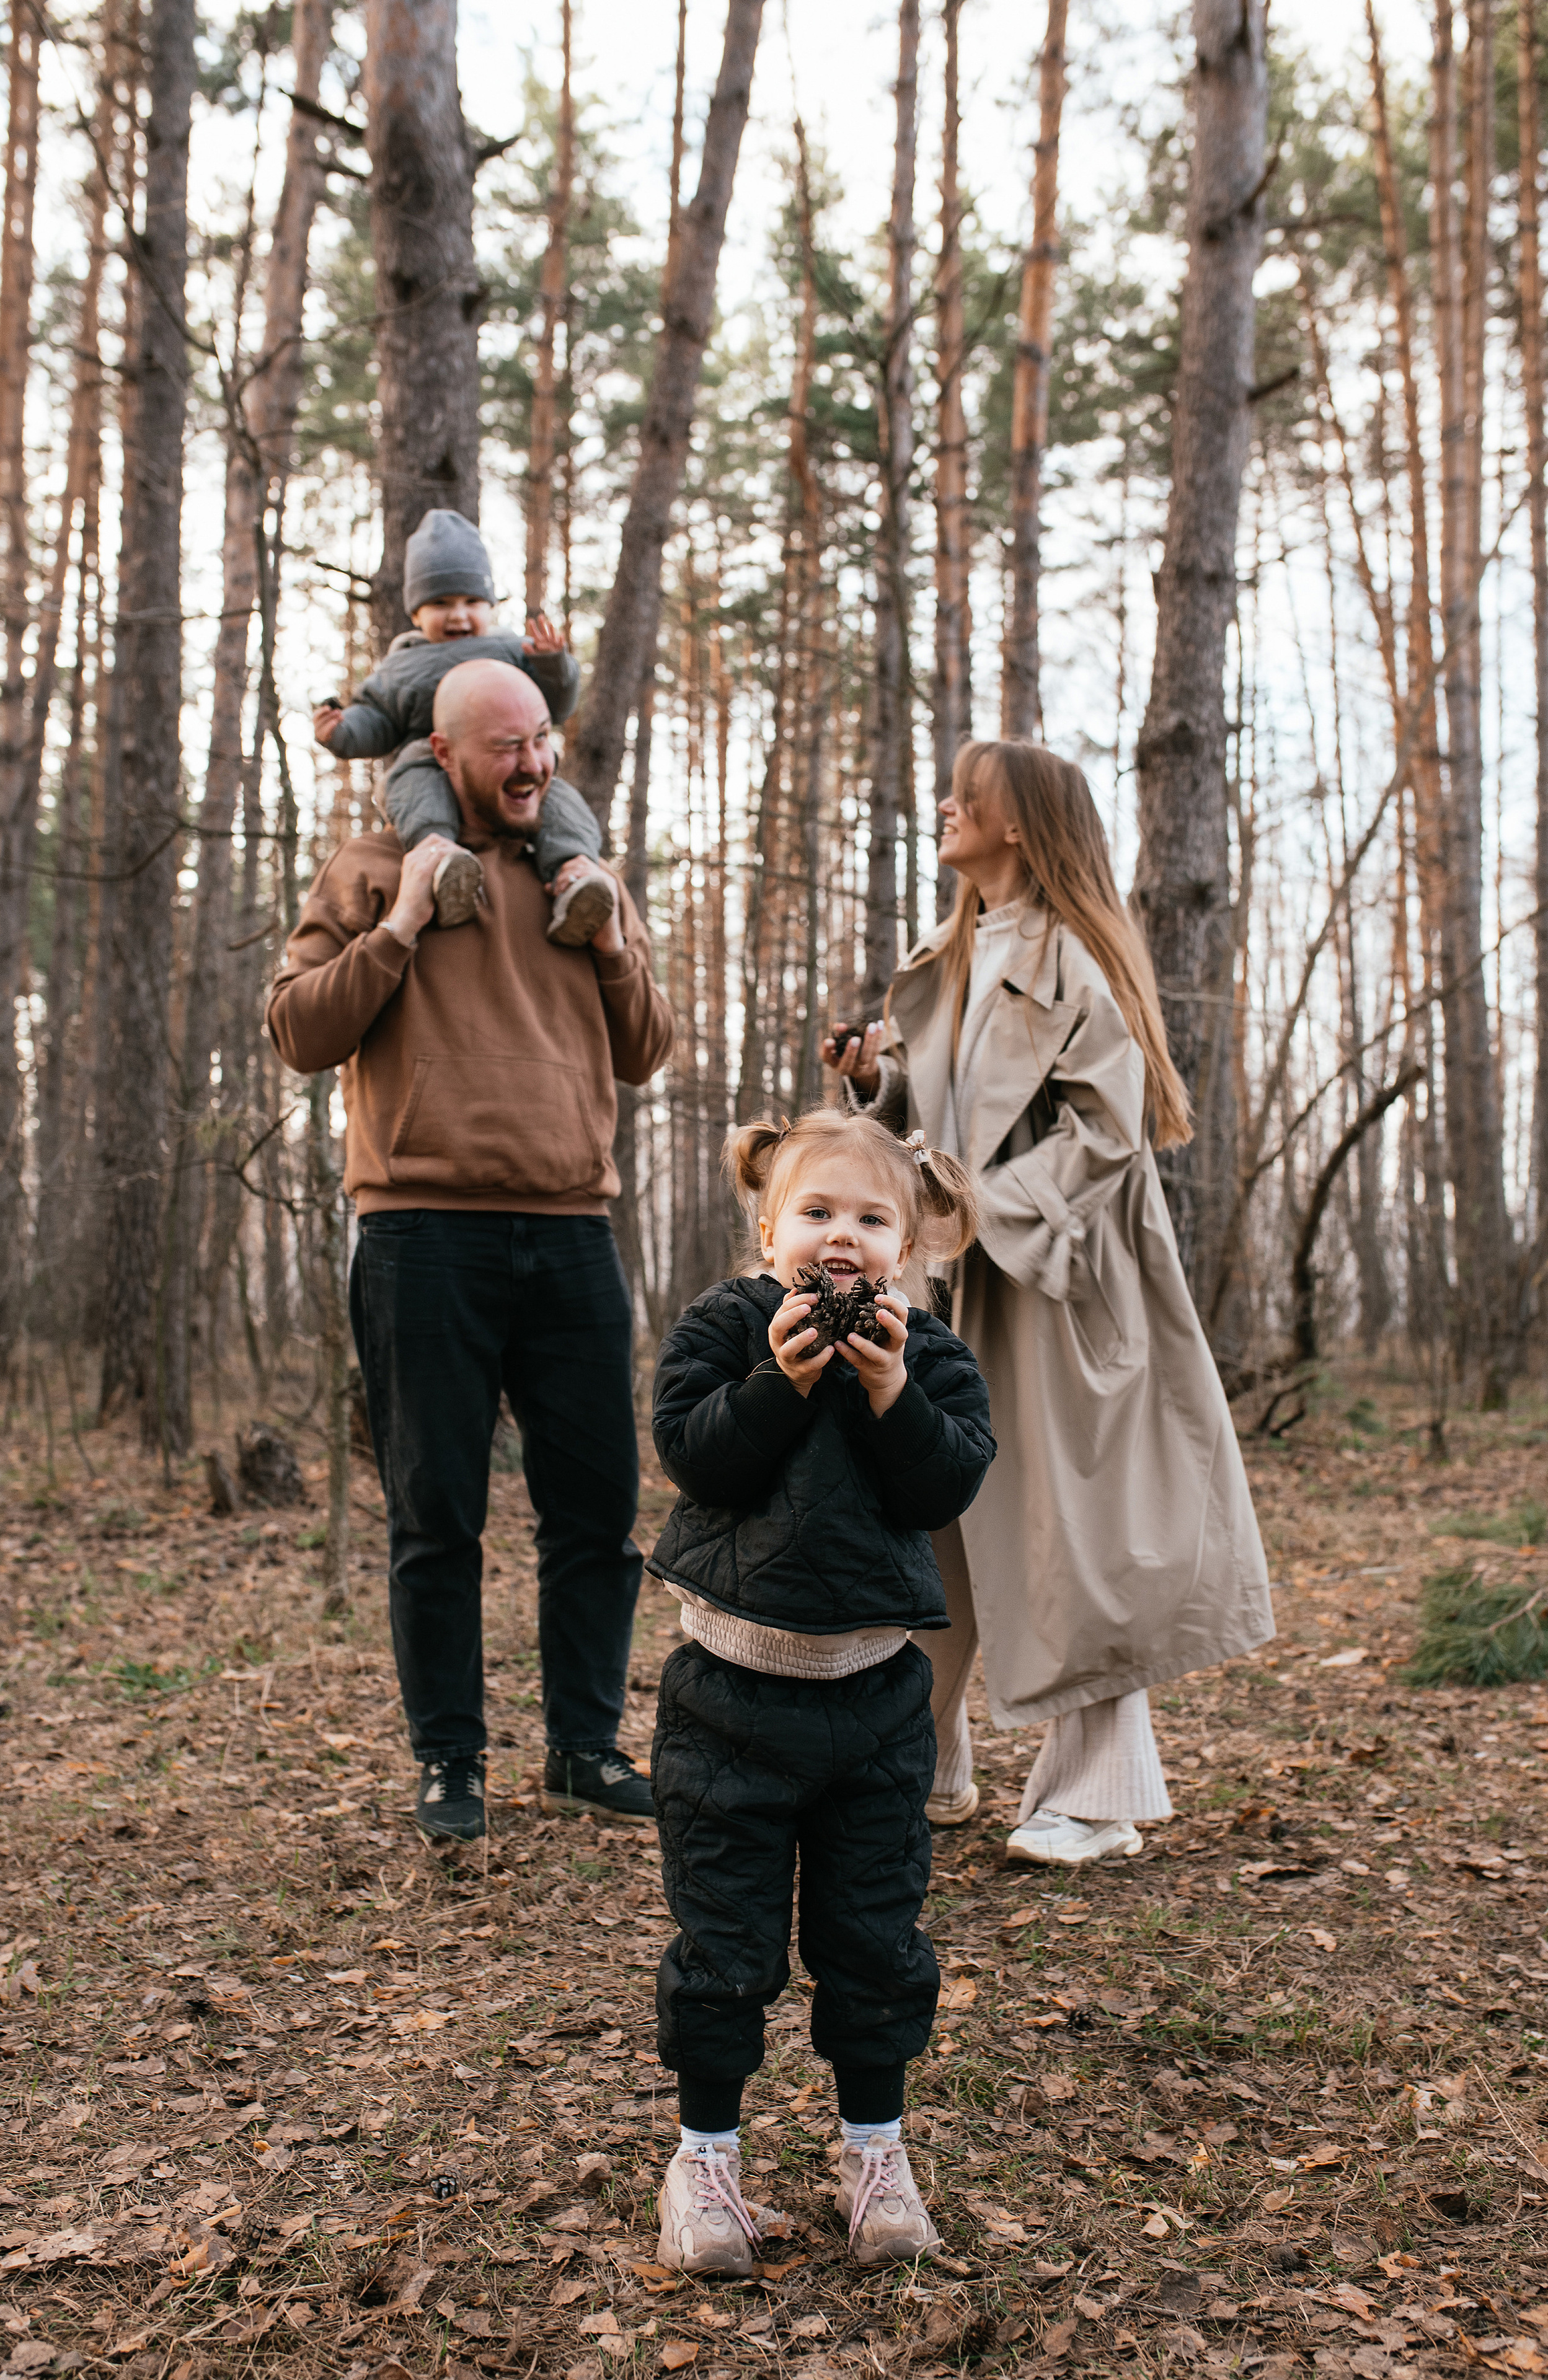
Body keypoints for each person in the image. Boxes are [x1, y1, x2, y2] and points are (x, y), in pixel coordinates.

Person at [827, 739, 1273, 1867]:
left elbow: (1108, 1132)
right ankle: (923, 1763)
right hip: (954, 1272)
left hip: (1063, 1278)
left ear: (1019, 821)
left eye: (965, 793)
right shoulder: (949, 953)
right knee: (928, 1507)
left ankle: (1098, 1797)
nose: (945, 805)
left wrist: (978, 1208)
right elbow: (928, 1113)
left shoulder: (1077, 954)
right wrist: (874, 1085)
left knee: (1071, 1528)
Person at [267, 658, 674, 1841]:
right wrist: (400, 922)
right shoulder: (373, 867)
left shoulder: (580, 873)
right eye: (507, 746)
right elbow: (297, 1029)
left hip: (573, 1233)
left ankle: (584, 1750)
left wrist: (609, 934)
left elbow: (646, 1050)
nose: (535, 763)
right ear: (441, 755)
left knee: (595, 1515)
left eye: (543, 738)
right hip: (420, 1234)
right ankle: (451, 1761)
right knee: (435, 1517)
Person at [645, 1109, 996, 2275]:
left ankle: (875, 2155)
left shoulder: (929, 1355)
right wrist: (776, 1383)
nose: (841, 1235)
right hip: (726, 1699)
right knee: (724, 1942)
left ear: (909, 1246)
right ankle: (704, 2163)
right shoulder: (725, 1326)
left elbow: (945, 1487)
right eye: (816, 1211)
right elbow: (695, 1456)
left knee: (875, 1937)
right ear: (768, 1231)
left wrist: (892, 1388)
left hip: (875, 1704)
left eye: (870, 1218)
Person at [312, 508, 615, 947]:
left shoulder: (514, 651)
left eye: (471, 602)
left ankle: (575, 875)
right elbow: (377, 718)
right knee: (410, 784)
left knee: (559, 799)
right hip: (429, 762)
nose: (458, 616)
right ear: (416, 613)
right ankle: (441, 860)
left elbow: (556, 705)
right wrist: (341, 732)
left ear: (491, 606)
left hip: (512, 768)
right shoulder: (403, 667)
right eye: (441, 604)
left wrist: (554, 666)